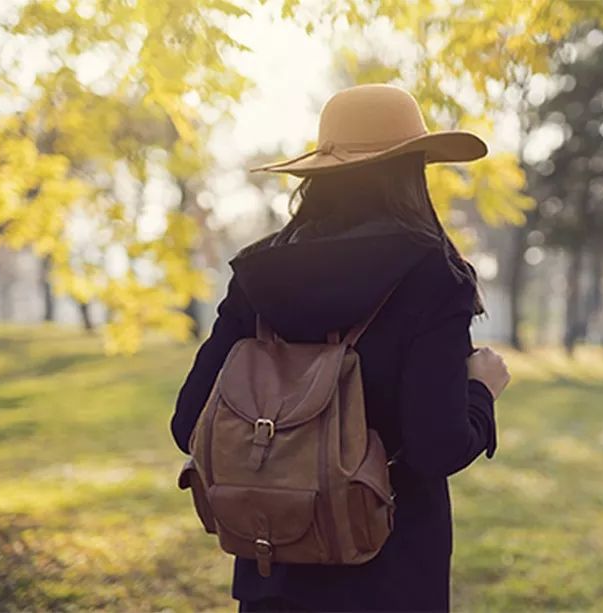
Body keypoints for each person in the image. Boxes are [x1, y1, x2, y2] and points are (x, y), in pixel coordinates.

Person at [170, 84, 511, 612]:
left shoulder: (257, 274)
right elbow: (435, 447)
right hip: (390, 575)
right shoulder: (434, 277)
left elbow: (188, 422)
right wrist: (481, 392)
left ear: (319, 176)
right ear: (410, 172)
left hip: (274, 568)